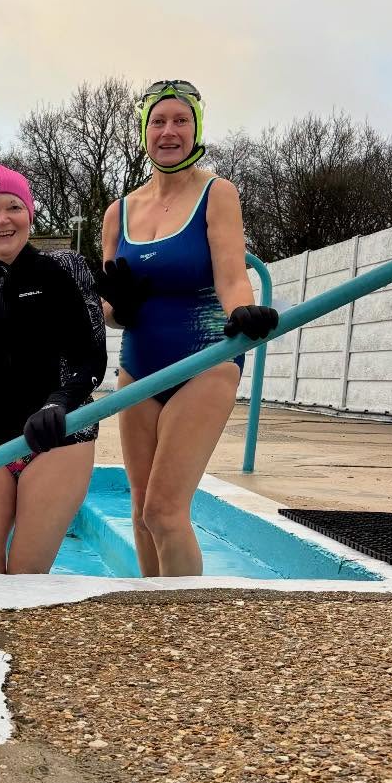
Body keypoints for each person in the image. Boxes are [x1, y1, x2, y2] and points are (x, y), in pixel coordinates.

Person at [97, 80, 279, 577]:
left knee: (165, 511)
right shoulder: (118, 212)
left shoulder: (217, 193)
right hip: (139, 368)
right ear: (144, 132)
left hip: (205, 359)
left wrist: (243, 312)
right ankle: (152, 616)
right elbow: (110, 309)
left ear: (196, 128)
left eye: (181, 120)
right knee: (140, 513)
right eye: (158, 122)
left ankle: (187, 618)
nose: (169, 131)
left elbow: (232, 275)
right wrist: (118, 309)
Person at [0, 164, 106, 575]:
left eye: (14, 207)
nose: (2, 219)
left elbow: (91, 357)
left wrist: (58, 402)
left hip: (60, 436)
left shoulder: (66, 267)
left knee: (26, 580)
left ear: (30, 215)